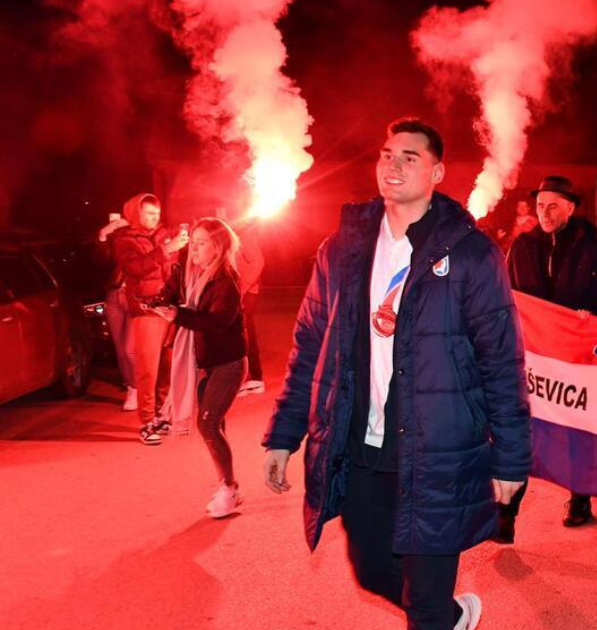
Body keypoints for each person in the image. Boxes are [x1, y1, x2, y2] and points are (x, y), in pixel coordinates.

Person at [262, 118, 529, 630]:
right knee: (370, 572)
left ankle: (439, 615)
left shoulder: (471, 254)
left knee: (423, 606)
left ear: (437, 172)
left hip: (437, 450)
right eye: (387, 154)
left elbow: (501, 361)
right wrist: (284, 433)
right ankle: (455, 616)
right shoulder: (342, 249)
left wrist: (511, 459)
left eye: (410, 156)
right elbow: (309, 346)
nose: (394, 164)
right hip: (365, 446)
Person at [503, 174, 597, 538]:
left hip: (575, 355)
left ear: (570, 207)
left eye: (553, 205)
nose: (545, 212)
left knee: (575, 432)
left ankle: (580, 497)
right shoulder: (522, 246)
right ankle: (507, 511)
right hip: (533, 354)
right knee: (523, 430)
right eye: (540, 206)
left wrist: (592, 320)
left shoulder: (591, 248)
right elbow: (507, 295)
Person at [151, 217, 247, 517]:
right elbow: (173, 288)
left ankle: (229, 488)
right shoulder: (195, 273)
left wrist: (176, 316)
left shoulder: (226, 281)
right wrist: (162, 302)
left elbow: (217, 323)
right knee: (215, 424)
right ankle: (226, 482)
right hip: (206, 362)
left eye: (202, 242)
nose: (194, 247)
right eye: (193, 241)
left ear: (218, 247)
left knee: (207, 423)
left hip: (228, 364)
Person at [111, 193, 188, 445]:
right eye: (149, 214)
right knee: (148, 367)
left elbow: (174, 269)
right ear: (136, 214)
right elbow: (136, 268)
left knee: (168, 364)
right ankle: (146, 420)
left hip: (170, 308)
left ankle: (161, 414)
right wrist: (165, 250)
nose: (155, 218)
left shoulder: (165, 234)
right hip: (146, 310)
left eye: (157, 213)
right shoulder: (125, 241)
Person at [97, 213, 138, 411]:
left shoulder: (140, 236)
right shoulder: (114, 239)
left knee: (131, 348)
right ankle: (131, 387)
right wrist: (104, 235)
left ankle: (140, 387)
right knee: (121, 348)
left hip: (134, 296)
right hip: (114, 295)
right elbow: (100, 262)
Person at [235, 218, 266, 396]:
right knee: (240, 332)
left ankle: (254, 378)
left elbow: (258, 261)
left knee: (244, 332)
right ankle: (248, 378)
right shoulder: (228, 233)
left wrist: (242, 286)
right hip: (240, 291)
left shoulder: (243, 233)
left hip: (247, 292)